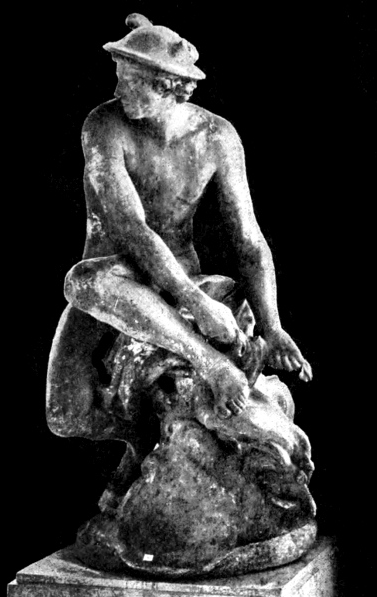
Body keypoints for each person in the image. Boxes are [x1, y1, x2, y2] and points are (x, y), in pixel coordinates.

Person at [46, 14, 312, 438]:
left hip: (178, 275)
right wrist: (197, 302)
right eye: (119, 78)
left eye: (131, 82)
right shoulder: (104, 125)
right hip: (115, 278)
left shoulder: (217, 137)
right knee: (67, 416)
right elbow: (131, 228)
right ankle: (141, 446)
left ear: (170, 87)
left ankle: (213, 364)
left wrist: (273, 326)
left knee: (80, 281)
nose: (117, 91)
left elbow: (249, 241)